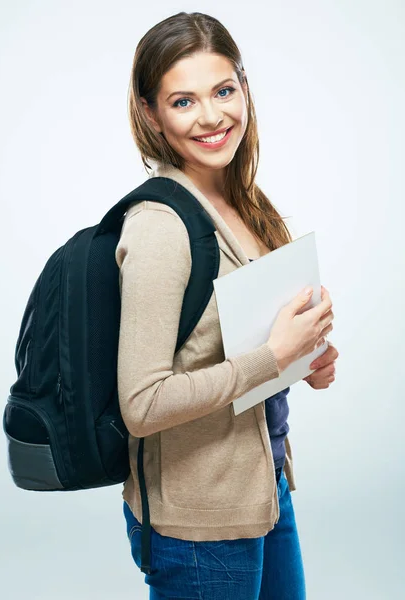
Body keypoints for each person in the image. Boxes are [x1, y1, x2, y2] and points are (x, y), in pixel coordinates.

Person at [116, 11, 336, 600]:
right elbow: (141, 404)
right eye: (183, 101)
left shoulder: (244, 200)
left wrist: (307, 356)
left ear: (244, 86)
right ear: (150, 114)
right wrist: (272, 357)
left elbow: (243, 350)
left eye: (223, 90)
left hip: (263, 489)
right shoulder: (161, 226)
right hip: (199, 521)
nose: (213, 116)